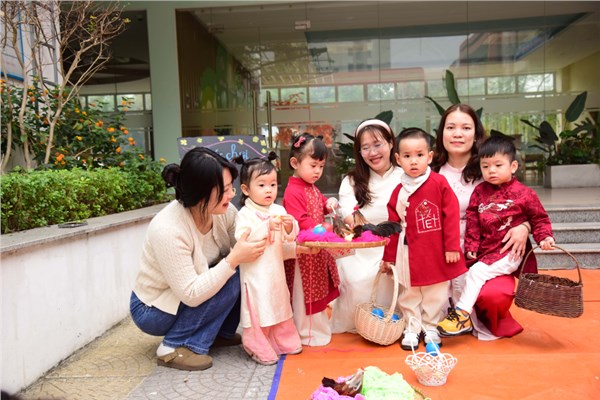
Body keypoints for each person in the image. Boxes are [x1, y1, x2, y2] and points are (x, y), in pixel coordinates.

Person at [431, 103, 533, 339]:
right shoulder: (429, 170)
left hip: (484, 252)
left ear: (476, 134)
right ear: (442, 133)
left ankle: (474, 314)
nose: (457, 134)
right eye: (450, 127)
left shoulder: (490, 168)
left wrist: (524, 226)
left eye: (466, 128)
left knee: (495, 295)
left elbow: (525, 204)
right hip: (441, 250)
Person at [437, 136, 555, 336]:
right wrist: (472, 246)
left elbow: (539, 218)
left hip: (509, 252)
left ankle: (461, 315)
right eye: (485, 166)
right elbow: (473, 220)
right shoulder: (479, 191)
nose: (491, 171)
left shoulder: (525, 194)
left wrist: (545, 237)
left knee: (476, 273)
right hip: (486, 252)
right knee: (464, 275)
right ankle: (462, 314)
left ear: (513, 166)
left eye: (498, 165)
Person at [382, 128, 467, 350]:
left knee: (435, 290)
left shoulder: (439, 183)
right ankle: (412, 326)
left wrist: (452, 247)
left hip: (434, 249)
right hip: (407, 249)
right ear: (398, 159)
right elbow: (392, 225)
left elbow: (451, 215)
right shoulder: (398, 191)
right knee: (408, 290)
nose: (413, 161)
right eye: (407, 156)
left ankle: (431, 326)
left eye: (419, 155)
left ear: (429, 156)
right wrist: (388, 257)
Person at [330, 118, 403, 334]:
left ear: (391, 143)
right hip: (364, 247)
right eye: (365, 147)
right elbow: (349, 216)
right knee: (359, 280)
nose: (373, 152)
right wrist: (375, 231)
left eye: (378, 144)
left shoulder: (406, 175)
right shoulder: (352, 181)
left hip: (399, 245)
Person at [233, 152, 302, 365]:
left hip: (275, 271)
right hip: (255, 273)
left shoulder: (278, 210)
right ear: (246, 189)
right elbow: (242, 238)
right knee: (259, 308)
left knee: (279, 304)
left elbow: (289, 239)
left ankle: (284, 340)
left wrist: (290, 226)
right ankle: (257, 344)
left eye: (273, 184)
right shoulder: (244, 214)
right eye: (261, 185)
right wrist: (266, 226)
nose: (269, 190)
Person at [283, 133, 340, 346]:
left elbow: (322, 204)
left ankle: (317, 329)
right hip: (304, 252)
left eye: (321, 166)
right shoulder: (292, 190)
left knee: (318, 290)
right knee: (304, 292)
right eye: (313, 165)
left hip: (316, 247)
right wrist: (319, 229)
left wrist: (330, 203)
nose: (318, 171)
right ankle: (306, 333)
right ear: (295, 163)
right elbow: (299, 219)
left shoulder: (312, 187)